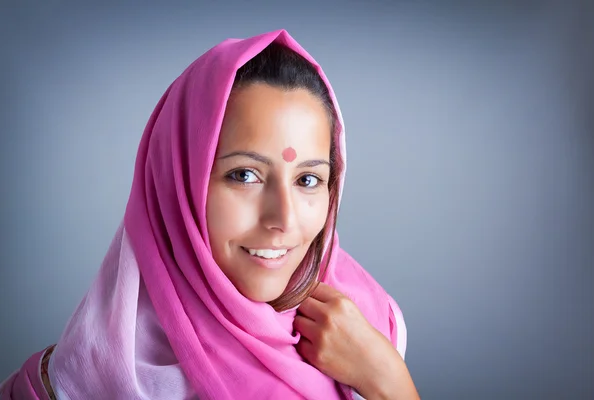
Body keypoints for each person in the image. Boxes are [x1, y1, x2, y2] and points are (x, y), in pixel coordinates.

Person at [0, 29, 420, 400]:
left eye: (308, 180)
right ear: (177, 183)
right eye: (245, 175)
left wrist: (387, 379)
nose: (284, 220)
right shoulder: (103, 378)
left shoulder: (363, 325)